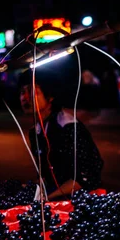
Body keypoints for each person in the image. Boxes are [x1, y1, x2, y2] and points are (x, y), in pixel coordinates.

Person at [19, 70, 104, 200]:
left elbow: (85, 178)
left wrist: (47, 198)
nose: (25, 98)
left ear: (50, 96)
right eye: (22, 92)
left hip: (80, 200)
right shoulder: (35, 132)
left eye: (32, 92)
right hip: (55, 195)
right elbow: (45, 176)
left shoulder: (68, 127)